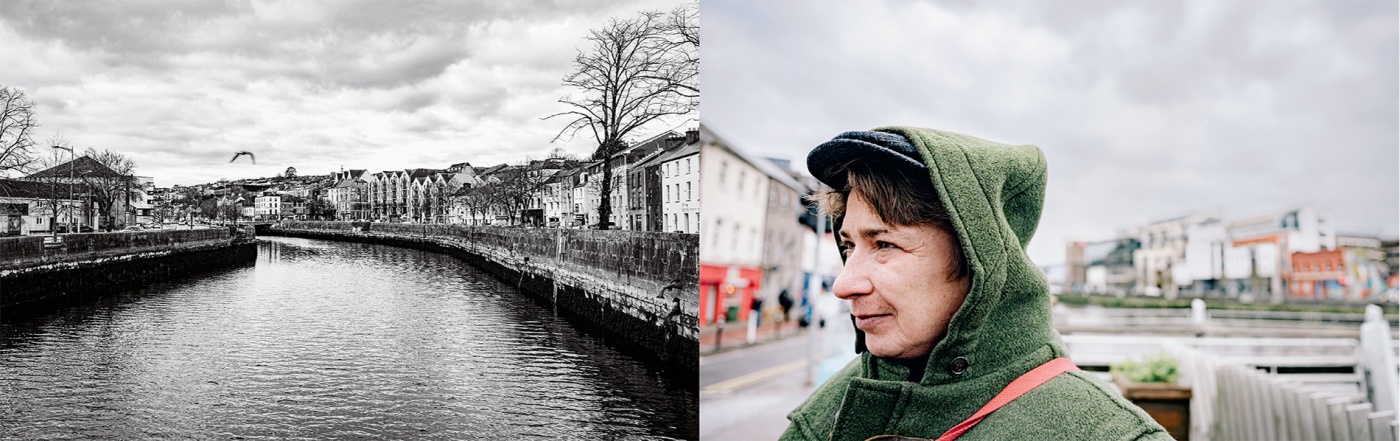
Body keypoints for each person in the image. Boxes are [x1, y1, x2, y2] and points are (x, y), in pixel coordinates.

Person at [781, 128, 1169, 440]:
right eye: (849, 246)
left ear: (979, 258)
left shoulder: (1108, 433)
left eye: (885, 244)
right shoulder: (832, 406)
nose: (844, 285)